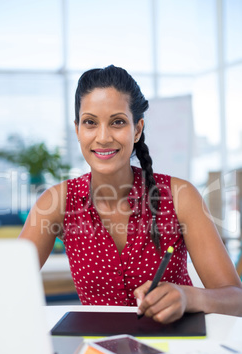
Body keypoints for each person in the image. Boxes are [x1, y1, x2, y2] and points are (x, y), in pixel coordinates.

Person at [19, 65, 242, 324]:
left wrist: (190, 297)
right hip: (99, 353)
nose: (103, 137)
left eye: (117, 122)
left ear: (137, 130)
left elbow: (236, 299)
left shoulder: (181, 196)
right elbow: (5, 290)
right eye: (90, 122)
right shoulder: (56, 202)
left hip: (178, 352)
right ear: (77, 129)